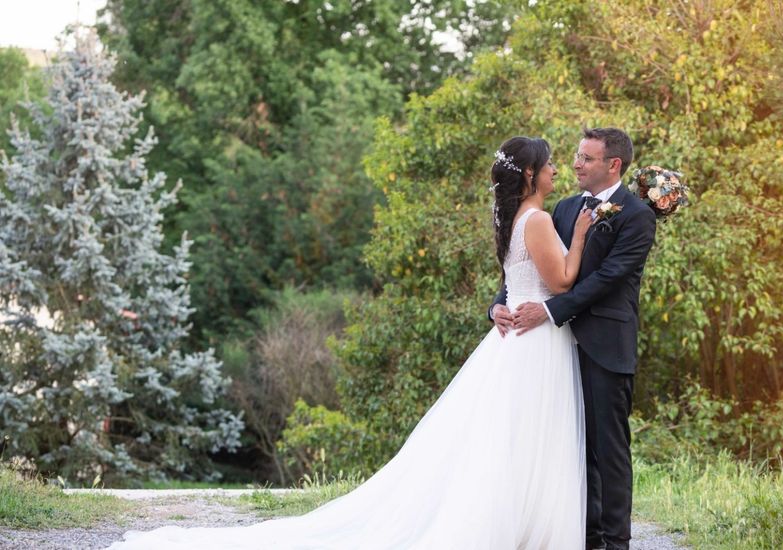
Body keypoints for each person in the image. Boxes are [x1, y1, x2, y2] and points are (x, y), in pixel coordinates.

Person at [107, 136, 592, 550]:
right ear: (530, 173)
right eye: (549, 164)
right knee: (528, 434)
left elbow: (519, 282)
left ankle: (516, 523)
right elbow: (564, 280)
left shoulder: (511, 221)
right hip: (533, 341)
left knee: (508, 438)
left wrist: (497, 306)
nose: (556, 170)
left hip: (515, 339)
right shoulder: (540, 221)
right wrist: (586, 234)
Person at [492, 128, 656, 550]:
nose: (575, 164)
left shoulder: (636, 215)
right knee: (569, 445)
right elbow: (532, 266)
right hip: (556, 348)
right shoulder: (563, 209)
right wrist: (497, 304)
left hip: (604, 344)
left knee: (609, 450)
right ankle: (584, 537)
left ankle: (616, 543)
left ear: (613, 165)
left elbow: (608, 277)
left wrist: (549, 311)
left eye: (586, 158)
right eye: (576, 156)